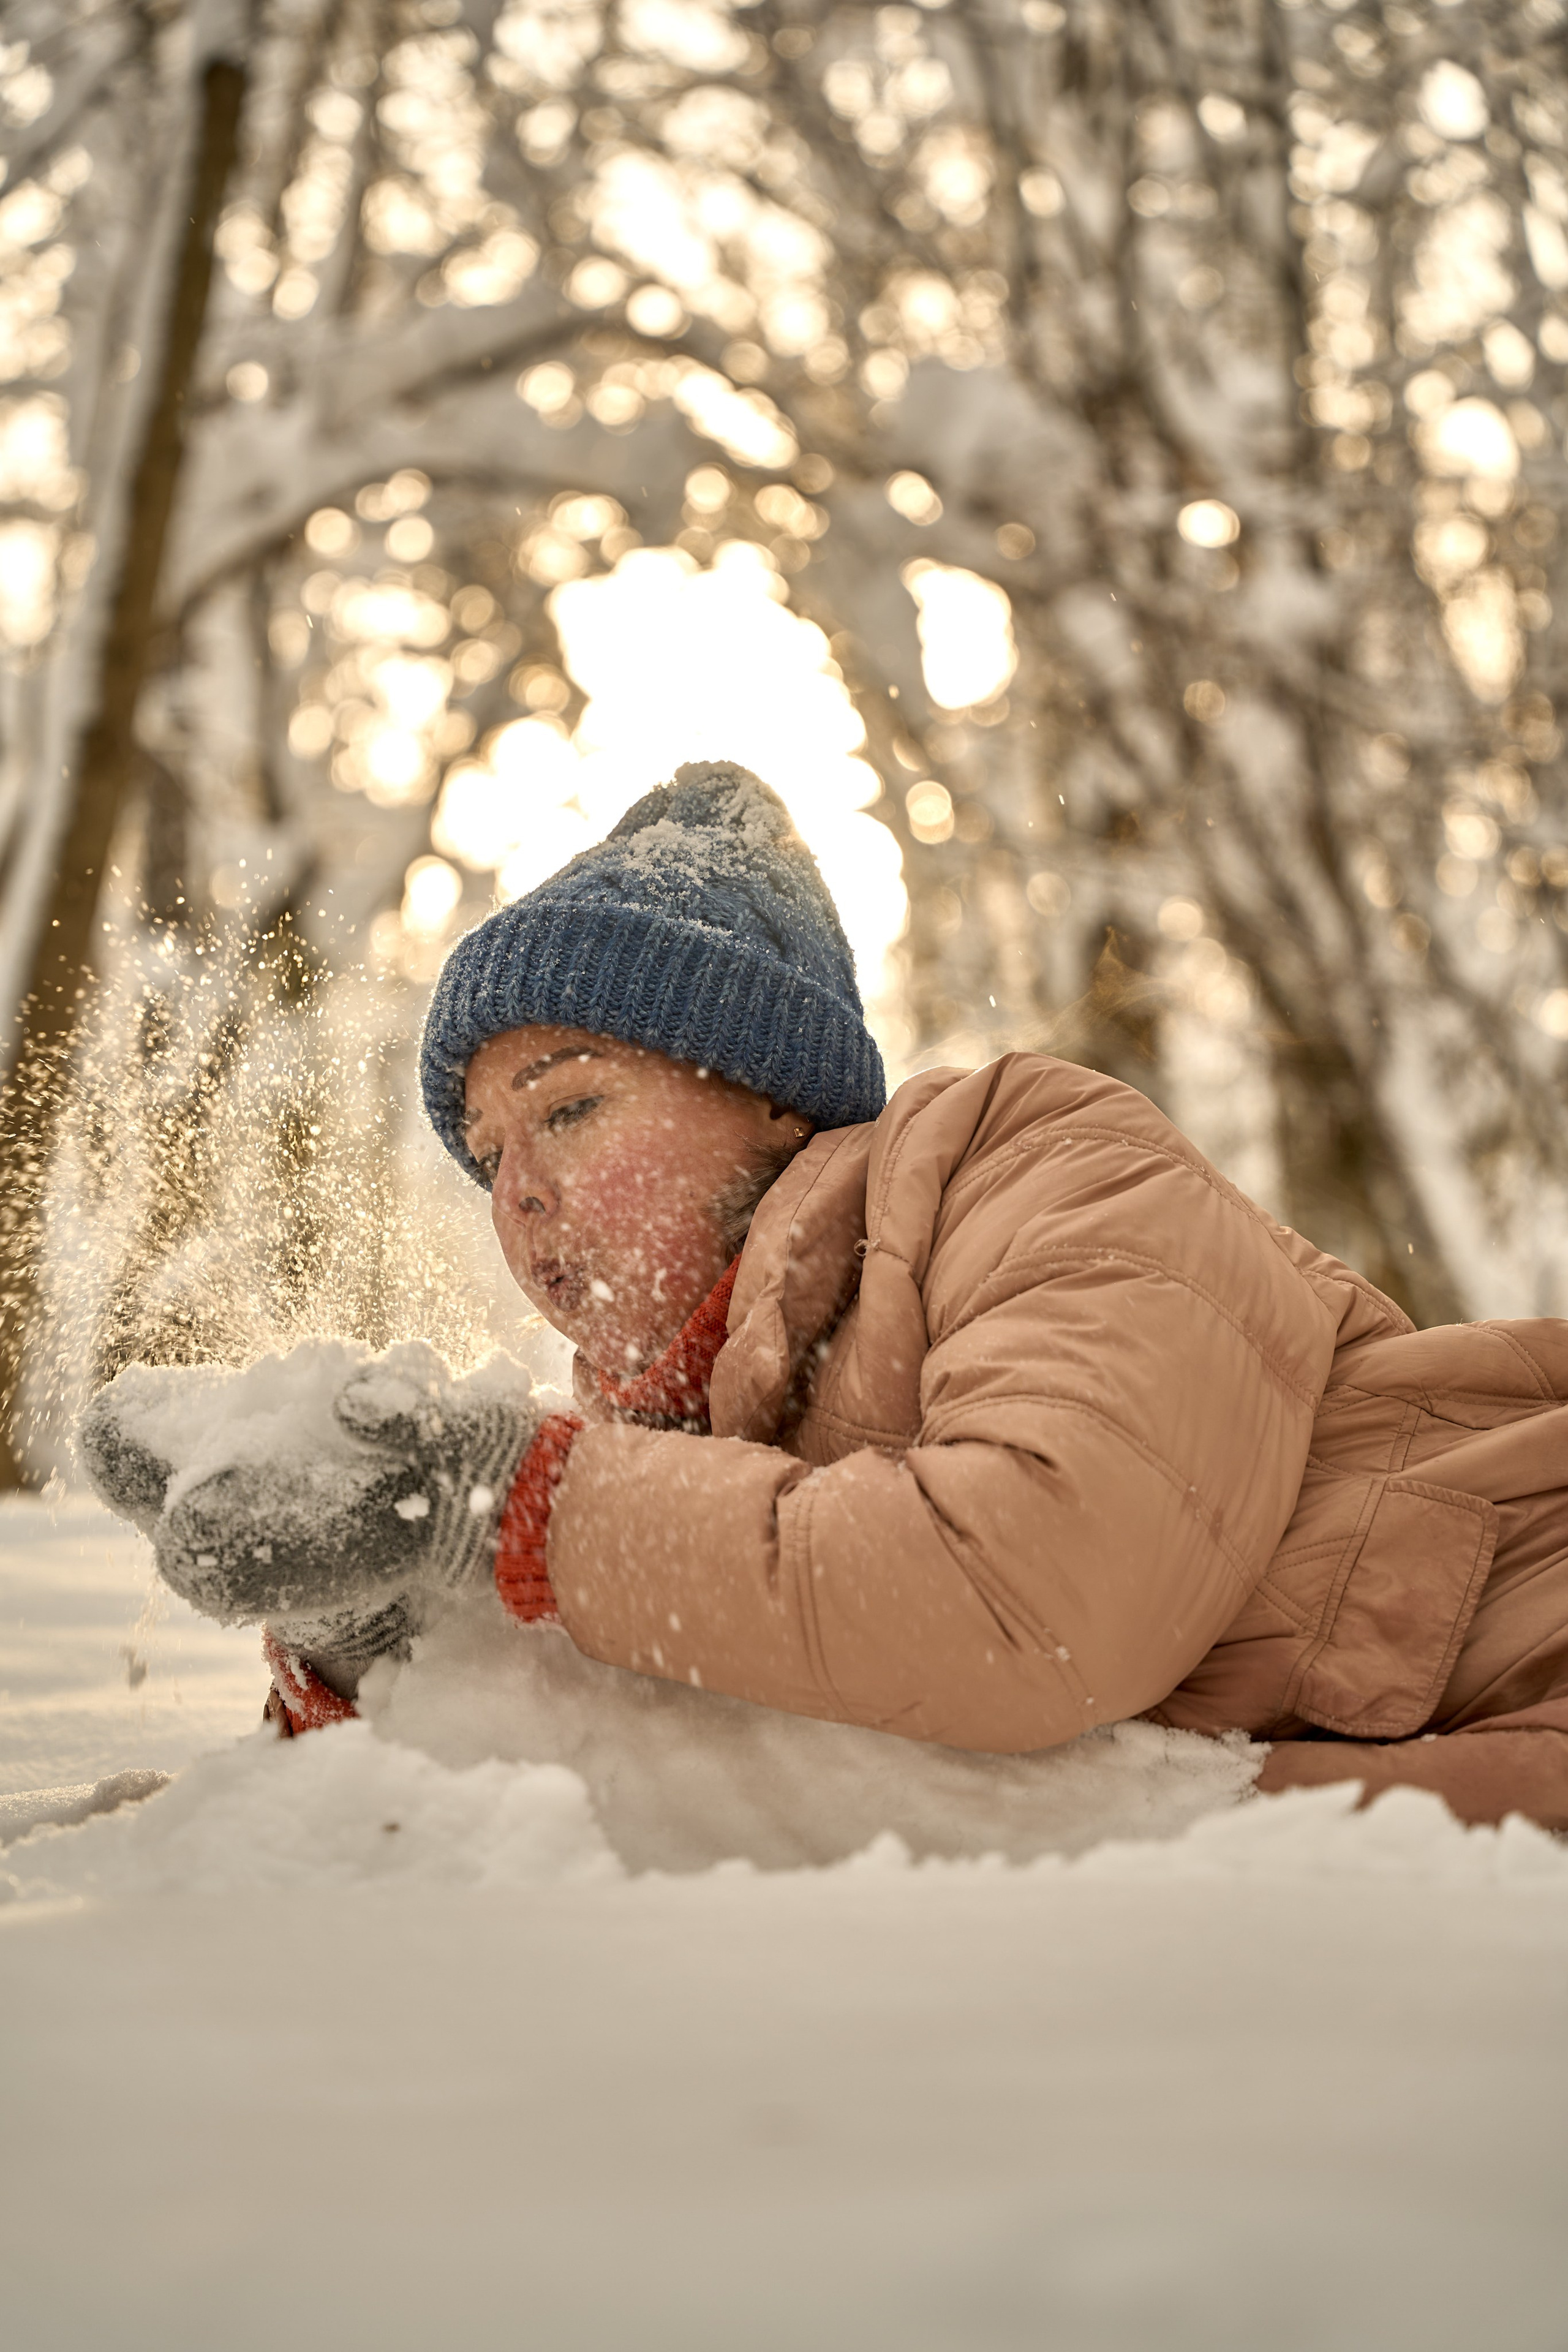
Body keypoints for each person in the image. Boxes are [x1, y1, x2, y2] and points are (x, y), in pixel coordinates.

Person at [83, 761, 1568, 1829]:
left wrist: (504, 1503)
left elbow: (1030, 1602)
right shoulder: (680, 1465)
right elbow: (612, 1779)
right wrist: (366, 1635)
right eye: (487, 1157)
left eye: (573, 1108)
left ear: (768, 1096)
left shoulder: (1030, 1167)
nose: (516, 1195)